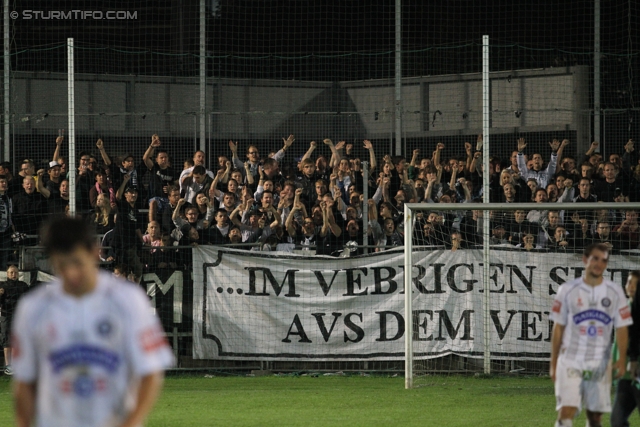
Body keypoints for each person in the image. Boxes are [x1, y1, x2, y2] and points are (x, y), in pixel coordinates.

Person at [11, 217, 174, 427]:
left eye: (77, 262)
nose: (71, 273)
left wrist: (131, 422)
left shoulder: (128, 300)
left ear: (94, 251)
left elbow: (151, 371)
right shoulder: (33, 308)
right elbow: (24, 383)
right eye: (62, 265)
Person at [550, 243, 632, 427]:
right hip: (570, 358)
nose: (599, 264)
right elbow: (558, 327)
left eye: (604, 260)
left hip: (599, 361)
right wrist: (553, 362)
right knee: (566, 411)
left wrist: (620, 359)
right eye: (595, 258)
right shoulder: (567, 290)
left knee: (595, 416)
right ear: (585, 260)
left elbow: (622, 327)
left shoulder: (615, 292)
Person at [610, 270, 640, 427]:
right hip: (625, 378)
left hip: (637, 375)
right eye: (629, 282)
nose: (631, 287)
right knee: (617, 420)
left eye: (635, 284)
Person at [0, 265, 29, 375]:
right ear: (7, 274)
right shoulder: (2, 285)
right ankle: (8, 365)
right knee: (7, 339)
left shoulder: (23, 285)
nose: (13, 274)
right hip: (6, 315)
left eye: (15, 272)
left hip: (20, 316)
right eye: (11, 272)